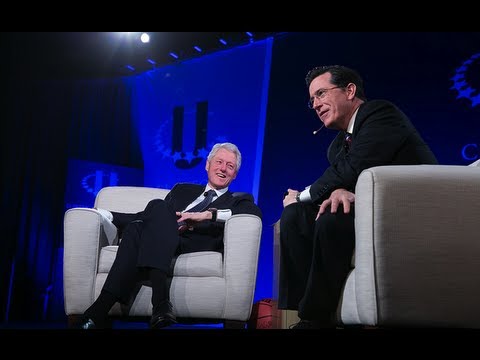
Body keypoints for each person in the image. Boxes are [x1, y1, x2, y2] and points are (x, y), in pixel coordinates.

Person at [279, 65, 438, 329]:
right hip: (367, 210)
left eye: (321, 94)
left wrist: (305, 194)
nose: (316, 105)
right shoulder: (336, 146)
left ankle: (315, 318)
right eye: (312, 100)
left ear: (350, 90)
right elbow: (344, 176)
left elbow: (355, 165)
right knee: (294, 215)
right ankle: (304, 310)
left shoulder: (379, 114)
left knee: (331, 217)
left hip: (408, 211)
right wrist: (336, 190)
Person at [79, 142, 262, 329]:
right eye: (219, 162)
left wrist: (207, 214)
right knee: (146, 218)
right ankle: (160, 304)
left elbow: (254, 214)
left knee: (141, 224)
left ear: (235, 174)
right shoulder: (182, 189)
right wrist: (108, 215)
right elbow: (149, 218)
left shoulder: (239, 200)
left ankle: (99, 310)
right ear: (207, 165)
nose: (223, 168)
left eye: (230, 166)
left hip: (193, 242)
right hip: (162, 238)